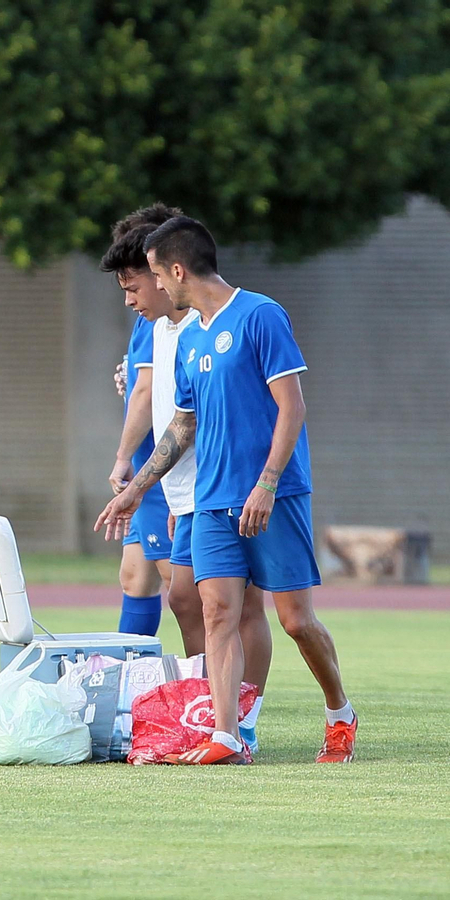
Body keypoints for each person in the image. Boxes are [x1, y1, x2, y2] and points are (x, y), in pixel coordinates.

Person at [97, 215, 355, 765]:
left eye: (155, 277)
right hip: (211, 500)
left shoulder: (262, 315)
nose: (155, 289)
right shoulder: (188, 337)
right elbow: (182, 426)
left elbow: (293, 406)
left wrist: (266, 483)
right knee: (216, 611)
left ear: (176, 269)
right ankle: (227, 736)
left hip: (273, 497)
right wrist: (139, 488)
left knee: (295, 621)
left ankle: (339, 711)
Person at [100, 205, 274, 753]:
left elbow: (191, 414)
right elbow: (172, 410)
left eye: (142, 280)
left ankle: (243, 716)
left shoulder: (217, 321)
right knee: (183, 598)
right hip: (184, 489)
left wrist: (129, 471)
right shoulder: (162, 327)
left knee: (248, 608)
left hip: (223, 485)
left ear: (168, 272)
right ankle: (212, 708)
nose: (134, 295)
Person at [107, 221, 172, 639]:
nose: (129, 299)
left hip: (163, 471)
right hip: (149, 466)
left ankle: (212, 689)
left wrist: (122, 459)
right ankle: (132, 681)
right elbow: (143, 385)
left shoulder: (161, 315)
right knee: (135, 577)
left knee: (184, 590)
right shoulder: (147, 318)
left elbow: (148, 392)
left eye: (132, 285)